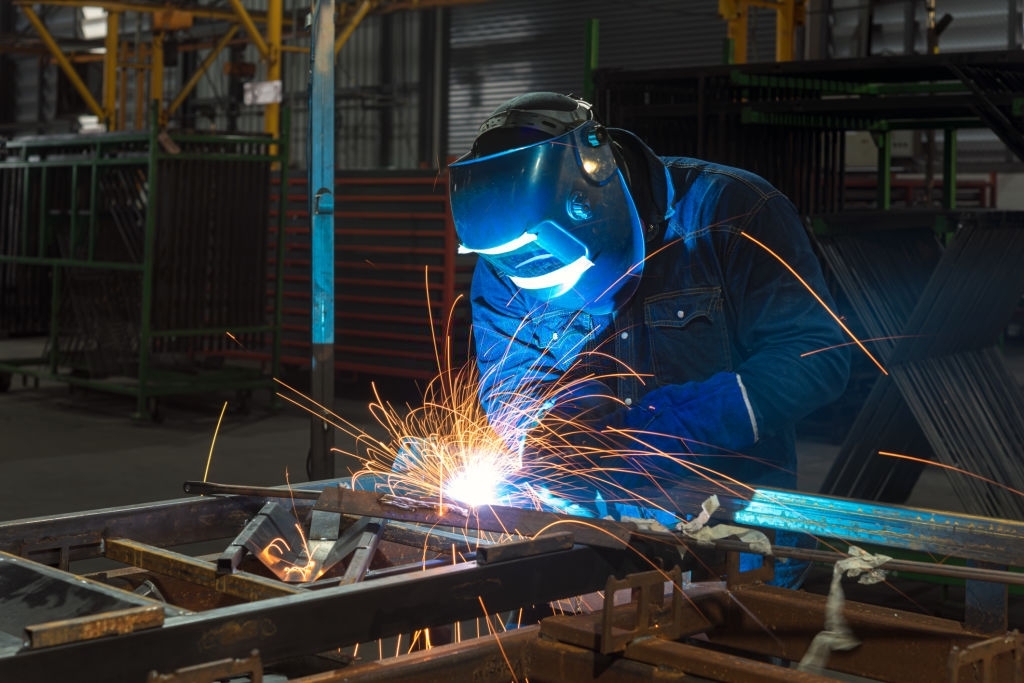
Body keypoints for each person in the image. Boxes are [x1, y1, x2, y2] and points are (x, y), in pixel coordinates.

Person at [448, 92, 850, 585]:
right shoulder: (506, 256)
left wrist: (667, 430)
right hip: (586, 533)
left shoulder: (733, 210)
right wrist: (556, 422)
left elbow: (815, 356)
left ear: (597, 185)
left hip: (732, 536)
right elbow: (513, 381)